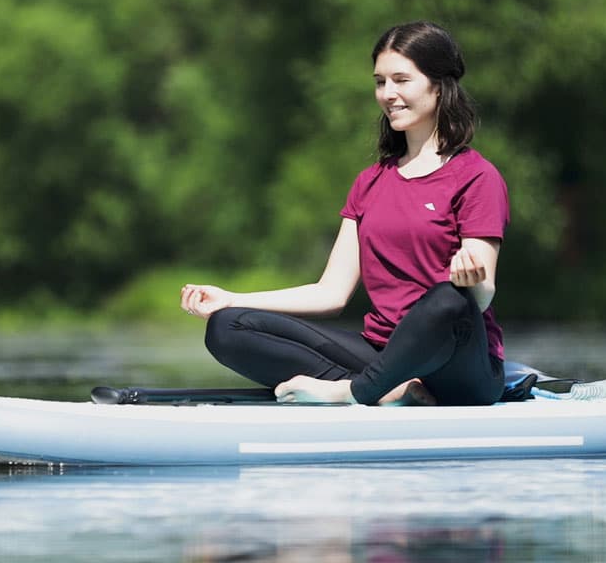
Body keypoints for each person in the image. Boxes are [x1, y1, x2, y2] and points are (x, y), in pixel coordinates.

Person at [180, 21, 510, 406]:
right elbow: (330, 293)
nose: (388, 94)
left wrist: (471, 282)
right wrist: (232, 299)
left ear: (439, 84)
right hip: (381, 354)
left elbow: (480, 298)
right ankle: (394, 390)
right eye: (380, 82)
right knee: (227, 327)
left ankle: (353, 391)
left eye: (401, 80)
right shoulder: (369, 183)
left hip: (459, 368)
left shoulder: (476, 176)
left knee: (448, 300)